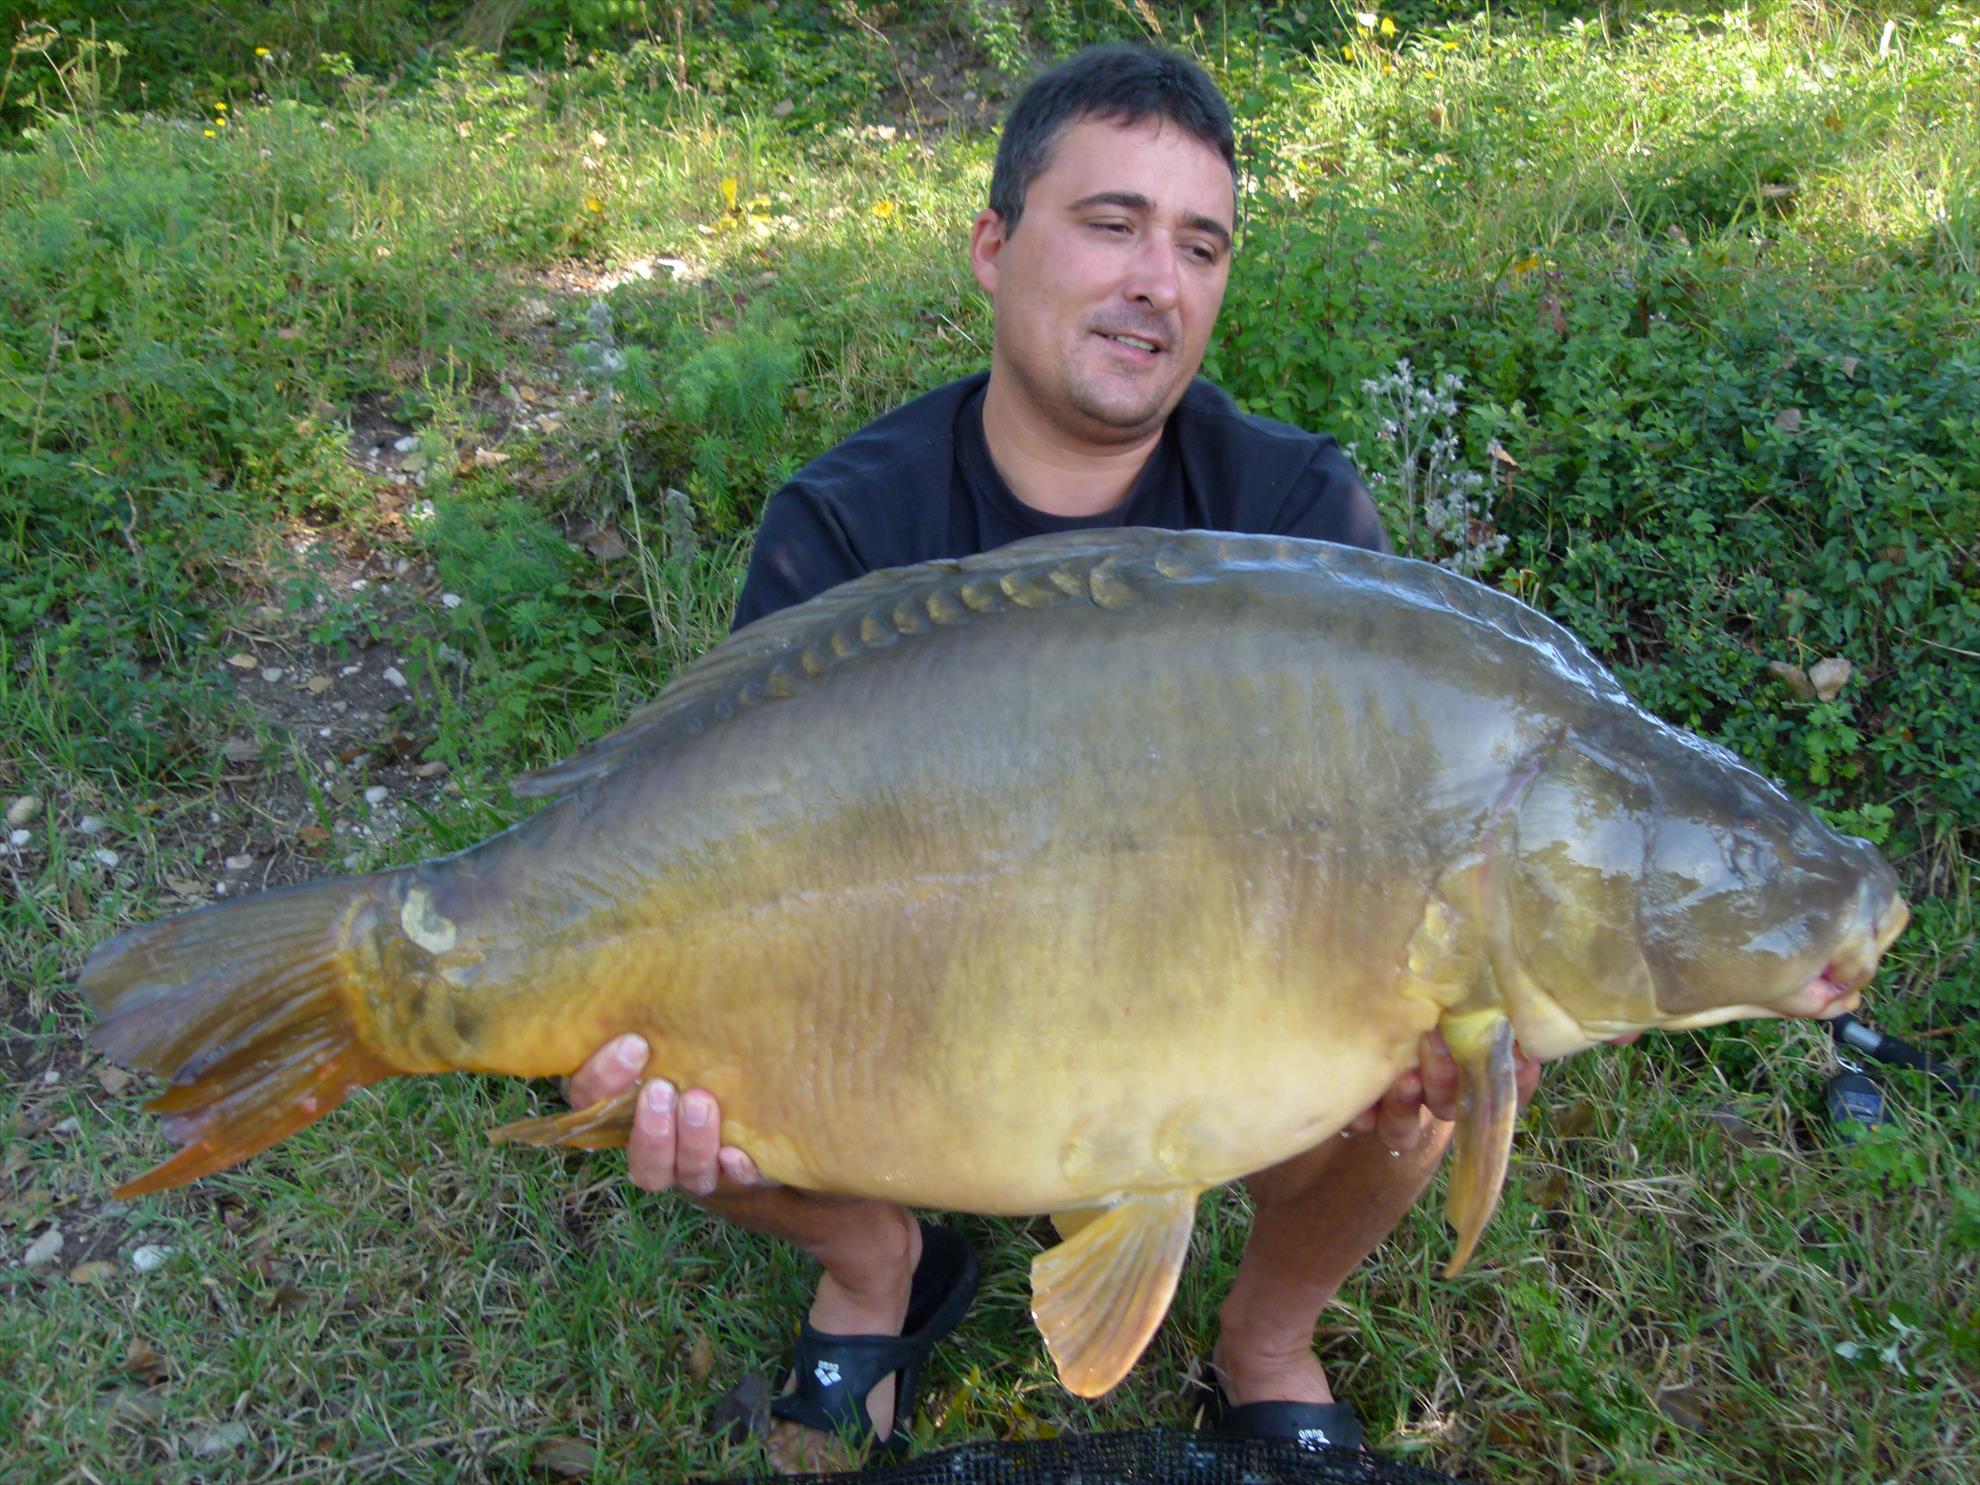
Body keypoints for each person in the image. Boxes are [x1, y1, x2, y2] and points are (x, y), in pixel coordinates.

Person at [564, 43, 1529, 1471]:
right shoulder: (847, 521)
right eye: (1112, 223)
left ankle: (1268, 1336)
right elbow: (737, 838)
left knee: (1443, 1033)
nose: (1158, 280)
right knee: (638, 1055)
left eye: (1200, 245)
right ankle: (872, 1263)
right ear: (993, 246)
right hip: (917, 1001)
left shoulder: (1293, 519)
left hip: (1210, 1005)